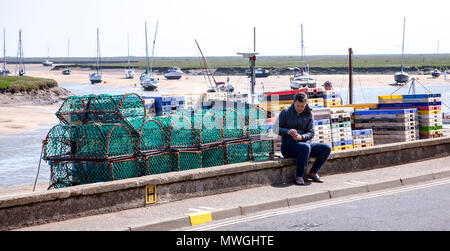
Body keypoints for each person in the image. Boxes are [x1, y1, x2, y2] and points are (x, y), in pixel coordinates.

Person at [273, 92, 332, 185]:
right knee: (305, 147)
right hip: (288, 147)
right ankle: (299, 176)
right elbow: (275, 129)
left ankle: (313, 173)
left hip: (303, 144)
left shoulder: (309, 114)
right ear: (294, 103)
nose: (300, 108)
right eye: (298, 106)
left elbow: (311, 133)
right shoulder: (285, 111)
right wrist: (287, 131)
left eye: (302, 106)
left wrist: (301, 137)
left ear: (306, 104)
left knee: (326, 148)